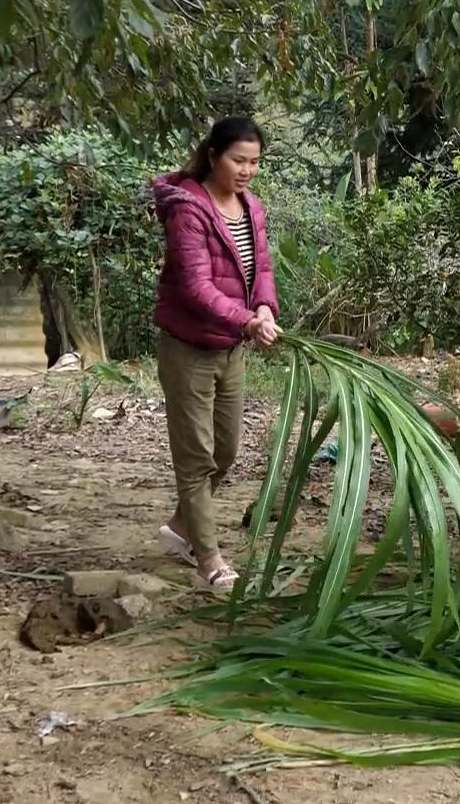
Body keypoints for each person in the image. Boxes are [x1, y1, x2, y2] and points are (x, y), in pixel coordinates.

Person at [150, 116, 282, 593]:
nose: (246, 171)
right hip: (189, 350)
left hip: (231, 349)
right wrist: (246, 320)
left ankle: (182, 526)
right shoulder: (188, 209)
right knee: (196, 457)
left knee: (225, 449)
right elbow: (194, 287)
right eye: (238, 160)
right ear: (213, 155)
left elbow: (261, 267)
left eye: (254, 163)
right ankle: (207, 557)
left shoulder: (251, 208)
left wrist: (264, 306)